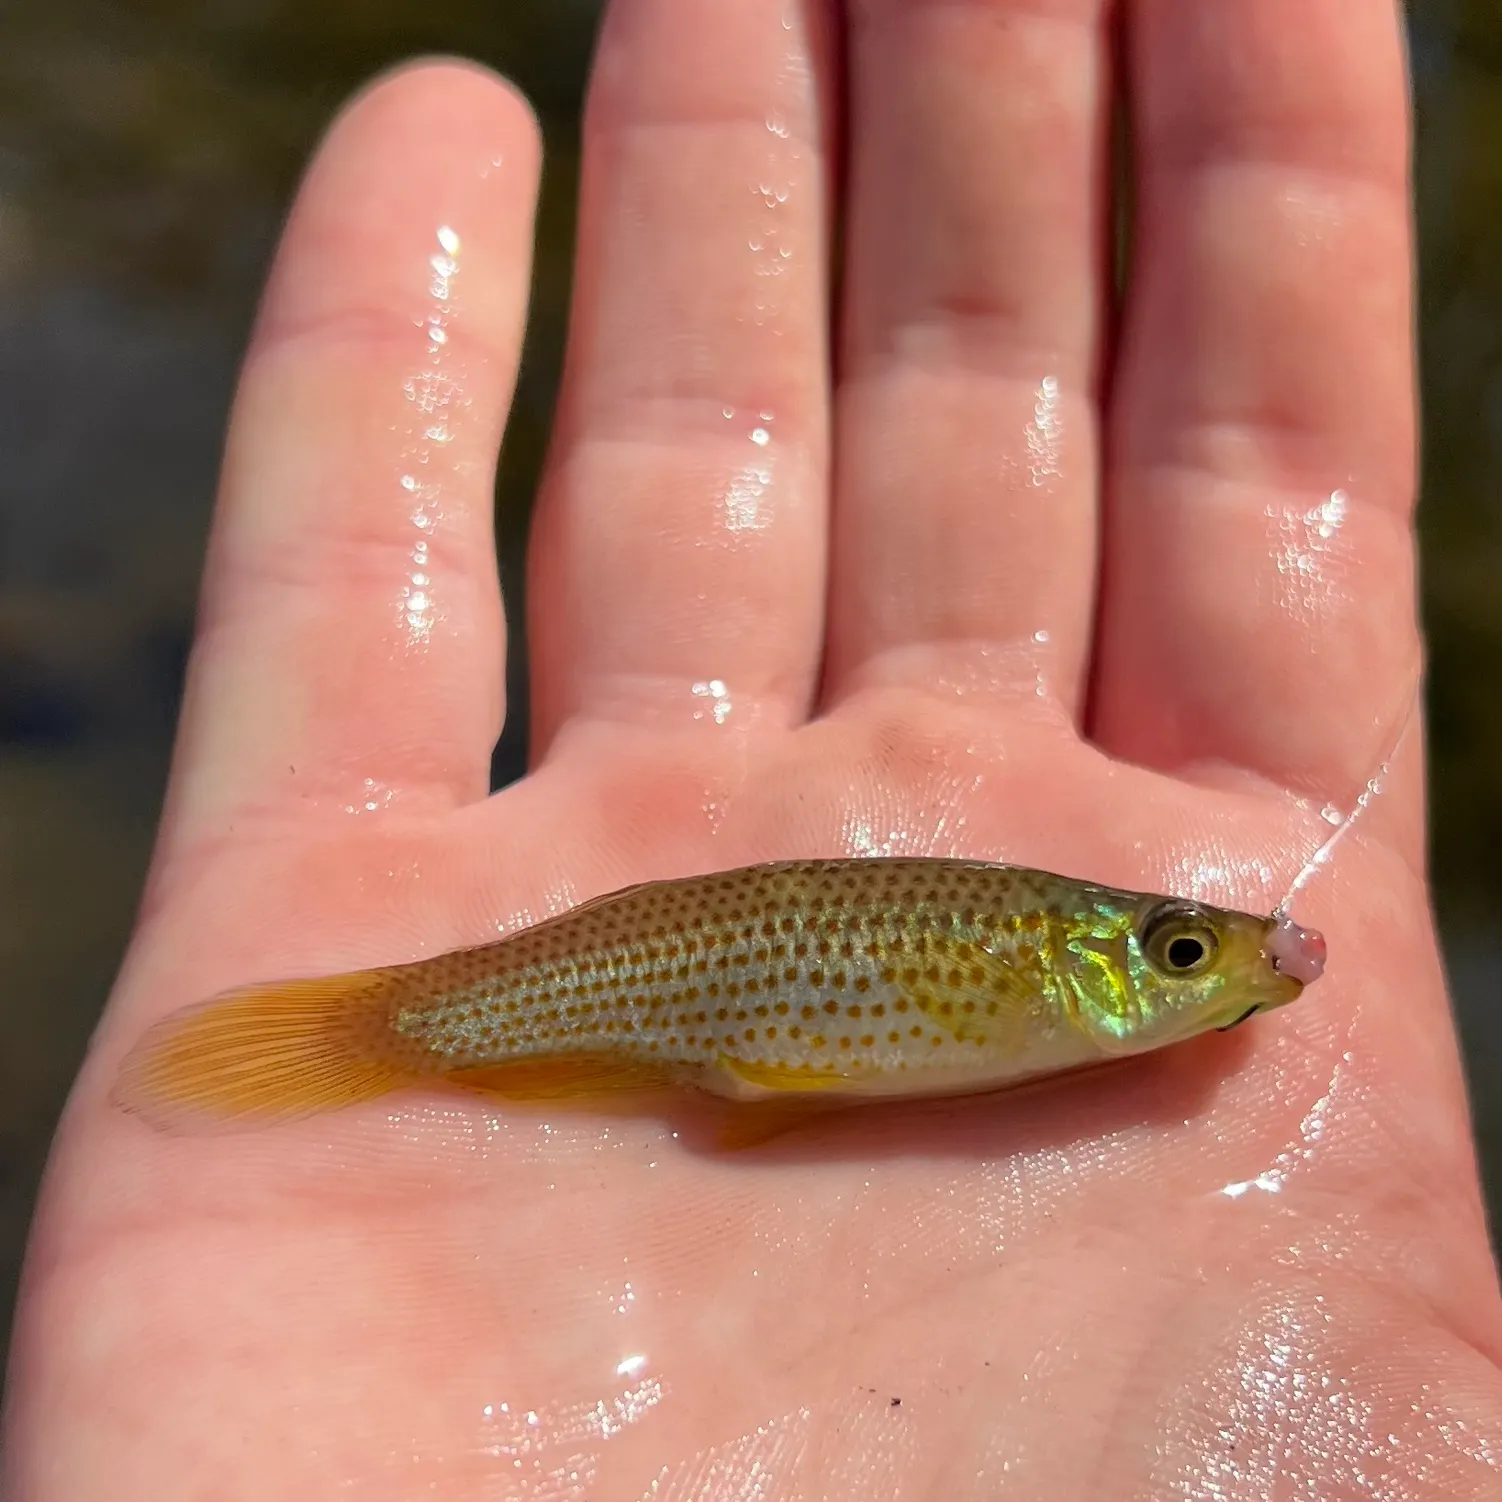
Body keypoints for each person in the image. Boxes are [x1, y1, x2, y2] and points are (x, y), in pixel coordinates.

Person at [5, 2, 1499, 1495]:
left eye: (1186, 951)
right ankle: (376, 1029)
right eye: (1182, 953)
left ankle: (386, 1031)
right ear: (1089, 961)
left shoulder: (1070, 986)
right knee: (436, 1023)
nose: (1215, 965)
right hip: (653, 1016)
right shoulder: (1048, 963)